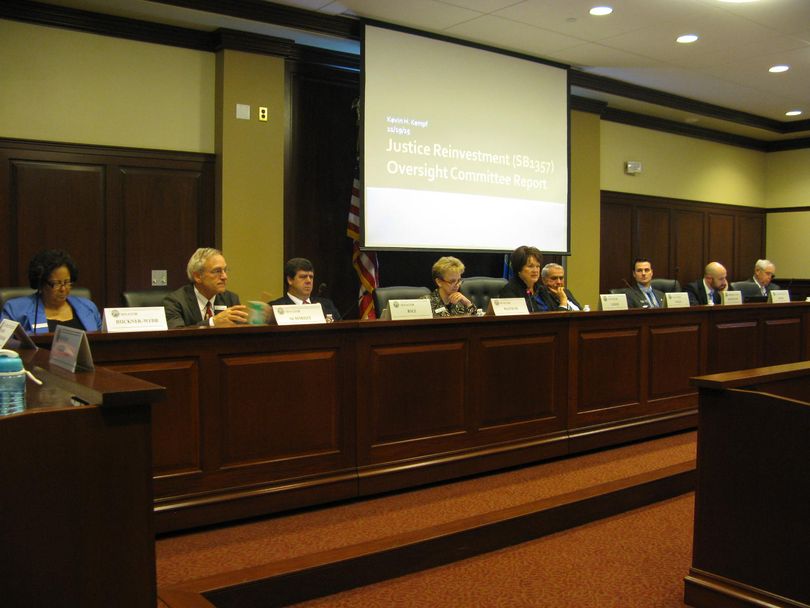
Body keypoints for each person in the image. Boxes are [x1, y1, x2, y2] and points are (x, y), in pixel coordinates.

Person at [1, 249, 102, 334]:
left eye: (67, 282)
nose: (63, 289)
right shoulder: (15, 310)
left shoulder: (88, 308)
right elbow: (3, 342)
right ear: (41, 284)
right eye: (56, 284)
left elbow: (101, 341)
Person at [163, 248, 248, 328]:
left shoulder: (230, 299)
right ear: (197, 276)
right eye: (217, 271)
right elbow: (177, 335)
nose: (224, 277)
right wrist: (211, 322)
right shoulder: (176, 302)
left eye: (225, 270)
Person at [269, 257, 341, 321]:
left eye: (311, 277)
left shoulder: (327, 305)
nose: (309, 281)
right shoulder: (275, 307)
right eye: (303, 277)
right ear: (290, 280)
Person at [498, 245, 548, 312]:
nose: (535, 270)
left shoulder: (541, 289)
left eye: (538, 266)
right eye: (530, 266)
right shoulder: (509, 291)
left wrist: (563, 303)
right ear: (519, 268)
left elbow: (555, 314)